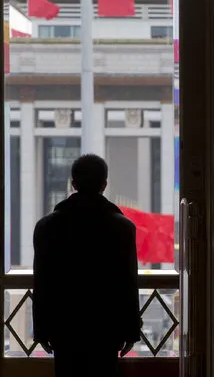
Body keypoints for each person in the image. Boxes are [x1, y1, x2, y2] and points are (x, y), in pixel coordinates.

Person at [32, 154, 141, 377]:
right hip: (106, 329)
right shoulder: (122, 228)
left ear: (73, 184)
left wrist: (41, 330)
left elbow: (42, 282)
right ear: (104, 185)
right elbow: (128, 282)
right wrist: (131, 331)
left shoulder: (47, 226)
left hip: (65, 327)